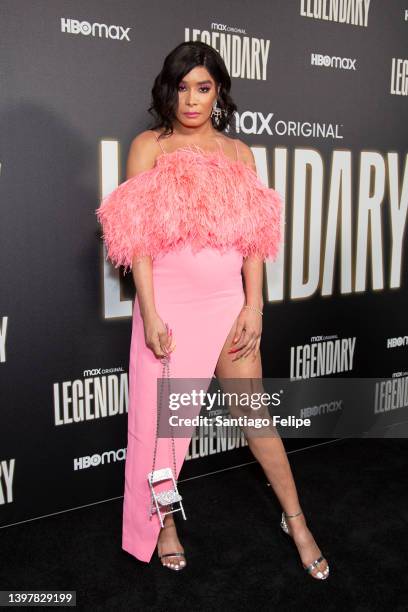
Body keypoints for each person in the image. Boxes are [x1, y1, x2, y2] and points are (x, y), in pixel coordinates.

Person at [96, 41, 329, 580]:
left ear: (218, 90)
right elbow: (138, 243)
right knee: (164, 428)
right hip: (170, 309)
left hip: (228, 306)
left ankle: (296, 521)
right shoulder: (149, 147)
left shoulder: (240, 153)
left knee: (257, 419)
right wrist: (150, 313)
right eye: (182, 87)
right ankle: (165, 525)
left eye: (203, 87)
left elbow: (254, 239)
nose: (192, 100)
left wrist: (255, 305)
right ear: (168, 90)